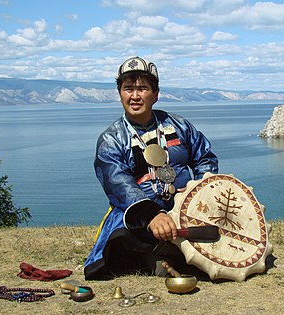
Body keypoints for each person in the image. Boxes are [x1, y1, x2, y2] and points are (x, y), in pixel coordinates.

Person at [84, 56, 219, 280]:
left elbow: (204, 156)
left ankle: (166, 254)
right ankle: (159, 255)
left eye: (142, 88)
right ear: (120, 94)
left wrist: (199, 193)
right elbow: (119, 184)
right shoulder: (111, 139)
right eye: (128, 88)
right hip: (138, 218)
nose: (135, 96)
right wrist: (152, 216)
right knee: (123, 241)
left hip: (185, 210)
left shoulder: (178, 125)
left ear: (155, 94)